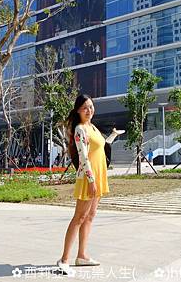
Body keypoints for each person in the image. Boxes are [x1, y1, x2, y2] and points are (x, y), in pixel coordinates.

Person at [56, 94, 125, 274]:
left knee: (90, 216)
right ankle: (64, 259)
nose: (89, 110)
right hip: (89, 177)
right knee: (79, 217)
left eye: (91, 106)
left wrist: (113, 135)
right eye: (85, 108)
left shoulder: (92, 127)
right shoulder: (80, 129)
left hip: (99, 175)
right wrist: (91, 180)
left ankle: (82, 256)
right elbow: (83, 157)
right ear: (78, 110)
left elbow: (102, 146)